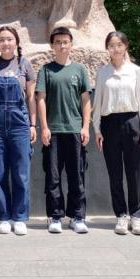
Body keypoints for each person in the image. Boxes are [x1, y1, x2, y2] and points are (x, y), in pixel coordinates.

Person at [0, 26, 37, 235]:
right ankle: (4, 217)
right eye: (2, 39)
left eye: (9, 39)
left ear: (16, 42)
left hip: (19, 125)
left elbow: (31, 97)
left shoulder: (25, 65)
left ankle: (20, 217)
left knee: (21, 173)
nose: (6, 43)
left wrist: (33, 125)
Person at [92, 31, 140, 236]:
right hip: (109, 124)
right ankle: (121, 215)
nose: (115, 49)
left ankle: (136, 216)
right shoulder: (103, 72)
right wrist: (97, 129)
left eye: (119, 45)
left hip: (132, 121)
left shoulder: (135, 71)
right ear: (107, 49)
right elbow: (98, 101)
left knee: (134, 172)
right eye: (111, 45)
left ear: (126, 46)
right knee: (114, 173)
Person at [36, 27, 92, 234]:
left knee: (77, 176)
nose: (62, 45)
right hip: (53, 131)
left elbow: (85, 100)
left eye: (65, 42)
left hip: (75, 130)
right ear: (52, 45)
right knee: (53, 177)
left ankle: (77, 216)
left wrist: (85, 127)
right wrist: (44, 127)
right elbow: (40, 99)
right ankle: (55, 216)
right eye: (58, 42)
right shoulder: (46, 70)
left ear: (71, 44)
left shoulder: (80, 70)